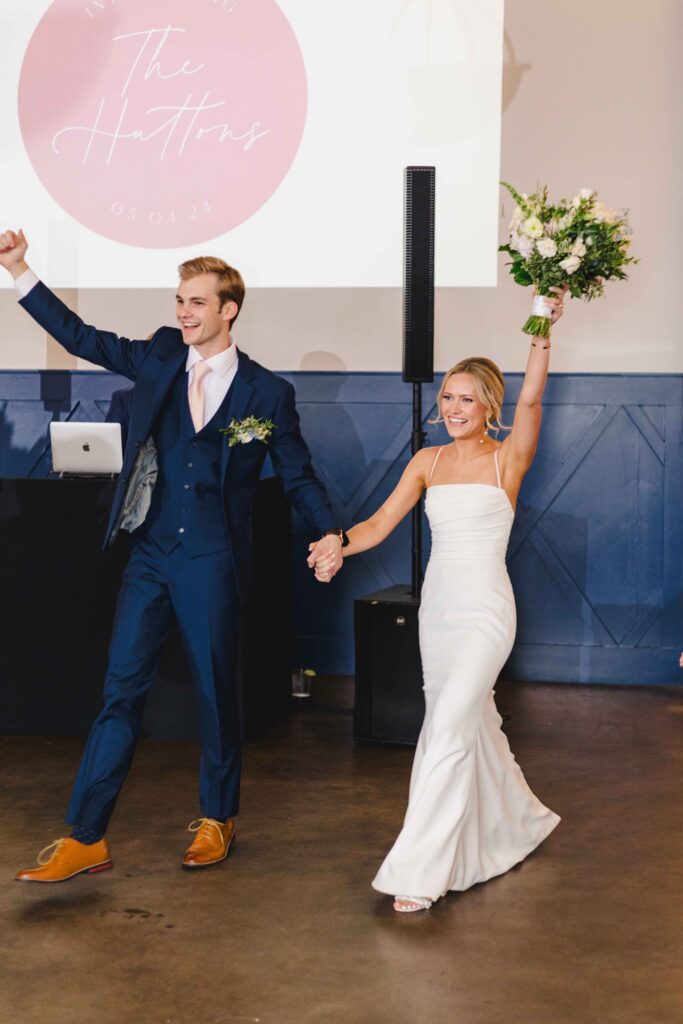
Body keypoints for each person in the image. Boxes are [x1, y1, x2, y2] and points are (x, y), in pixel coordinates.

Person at [0, 228, 346, 883]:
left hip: (212, 559)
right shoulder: (159, 355)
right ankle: (86, 836)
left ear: (228, 309)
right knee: (119, 692)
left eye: (195, 301)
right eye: (179, 300)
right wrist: (20, 270)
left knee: (217, 694)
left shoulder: (266, 395)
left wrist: (327, 531)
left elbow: (296, 473)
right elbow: (81, 337)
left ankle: (217, 818)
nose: (182, 312)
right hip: (150, 556)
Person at [310, 289, 566, 912]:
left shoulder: (508, 460)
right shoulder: (427, 461)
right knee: (466, 722)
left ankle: (419, 870)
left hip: (485, 613)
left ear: (487, 407)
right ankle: (517, 823)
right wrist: (339, 544)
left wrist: (542, 329)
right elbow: (377, 524)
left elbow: (532, 398)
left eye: (465, 398)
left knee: (449, 727)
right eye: (447, 397)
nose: (453, 407)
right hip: (439, 614)